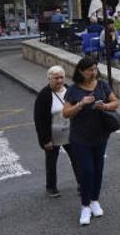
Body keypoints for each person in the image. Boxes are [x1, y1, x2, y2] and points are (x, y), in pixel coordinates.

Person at [62, 57, 118, 226]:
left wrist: (106, 106)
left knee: (98, 170)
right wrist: (80, 104)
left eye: (94, 69)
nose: (93, 73)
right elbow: (66, 113)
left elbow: (115, 102)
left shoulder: (102, 85)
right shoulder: (73, 90)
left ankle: (94, 200)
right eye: (89, 70)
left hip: (100, 135)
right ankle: (85, 206)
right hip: (80, 138)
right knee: (86, 171)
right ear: (81, 71)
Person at [34, 66, 80, 198]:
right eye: (56, 78)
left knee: (76, 159)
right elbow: (39, 120)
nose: (59, 80)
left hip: (70, 133)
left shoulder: (69, 90)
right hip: (53, 135)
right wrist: (45, 140)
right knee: (51, 162)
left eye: (61, 77)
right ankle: (51, 187)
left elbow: (76, 108)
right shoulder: (44, 95)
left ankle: (82, 184)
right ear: (49, 79)